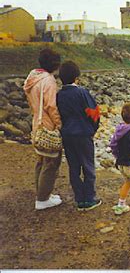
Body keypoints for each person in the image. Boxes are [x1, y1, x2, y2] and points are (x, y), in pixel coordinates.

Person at [56, 61, 102, 211]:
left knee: (73, 167)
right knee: (88, 166)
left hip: (68, 135)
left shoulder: (59, 95)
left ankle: (79, 198)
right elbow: (94, 113)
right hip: (83, 133)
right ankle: (89, 198)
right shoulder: (82, 92)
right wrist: (92, 129)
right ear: (77, 77)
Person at [23, 48, 63, 210]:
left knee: (41, 160)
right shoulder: (49, 81)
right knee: (52, 161)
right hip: (47, 126)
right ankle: (43, 199)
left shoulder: (33, 77)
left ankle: (42, 193)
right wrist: (59, 124)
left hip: (36, 124)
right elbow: (51, 106)